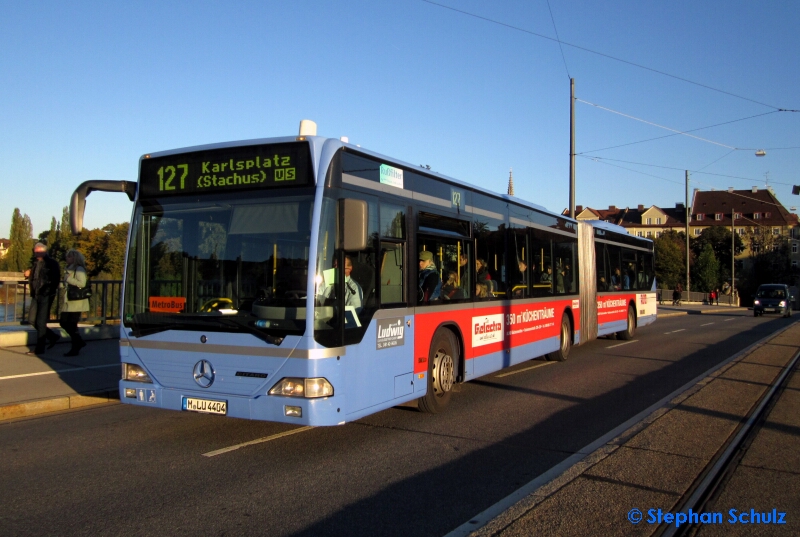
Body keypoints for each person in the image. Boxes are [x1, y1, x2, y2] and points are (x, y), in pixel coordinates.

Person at [24, 243, 61, 355]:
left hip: (45, 295)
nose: (36, 254)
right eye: (35, 252)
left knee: (40, 322)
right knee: (31, 319)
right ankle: (52, 336)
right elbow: (36, 277)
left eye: (38, 252)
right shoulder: (35, 263)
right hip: (36, 294)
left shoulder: (52, 263)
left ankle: (39, 349)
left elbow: (55, 280)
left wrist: (48, 292)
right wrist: (28, 273)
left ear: (44, 252)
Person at [60, 249, 90, 356]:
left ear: (74, 258)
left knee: (71, 324)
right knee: (64, 322)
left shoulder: (79, 269)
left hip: (77, 301)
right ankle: (79, 342)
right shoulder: (68, 269)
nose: (66, 258)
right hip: (69, 300)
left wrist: (68, 280)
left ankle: (76, 346)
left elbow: (82, 283)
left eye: (68, 257)